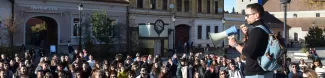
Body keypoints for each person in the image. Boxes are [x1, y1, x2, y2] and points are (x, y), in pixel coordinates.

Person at [228, 3, 273, 78]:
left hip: (256, 73)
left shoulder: (257, 30)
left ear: (256, 15)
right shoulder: (265, 29)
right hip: (265, 72)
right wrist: (248, 35)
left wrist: (234, 44)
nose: (246, 18)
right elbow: (257, 47)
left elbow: (248, 52)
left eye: (248, 15)